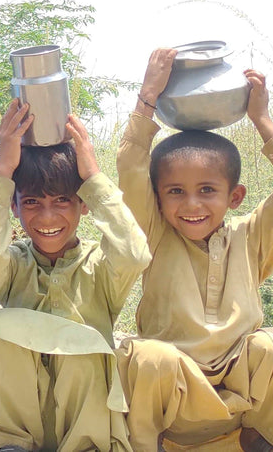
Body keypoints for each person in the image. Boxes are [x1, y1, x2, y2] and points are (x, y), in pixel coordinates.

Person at [0, 99, 151, 452]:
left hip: (87, 437)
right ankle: (8, 445)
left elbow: (134, 253)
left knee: (83, 343)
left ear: (82, 205)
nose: (47, 218)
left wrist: (93, 176)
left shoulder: (100, 267)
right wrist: (4, 170)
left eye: (62, 201)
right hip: (20, 435)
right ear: (14, 207)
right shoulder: (16, 265)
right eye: (32, 202)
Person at [115, 48, 273, 452]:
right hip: (177, 407)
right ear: (158, 199)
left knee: (267, 346)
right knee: (146, 355)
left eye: (207, 191)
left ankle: (261, 438)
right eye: (175, 192)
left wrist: (261, 120)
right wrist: (148, 96)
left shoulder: (250, 237)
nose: (191, 205)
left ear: (234, 196)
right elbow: (132, 166)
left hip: (239, 407)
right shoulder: (153, 234)